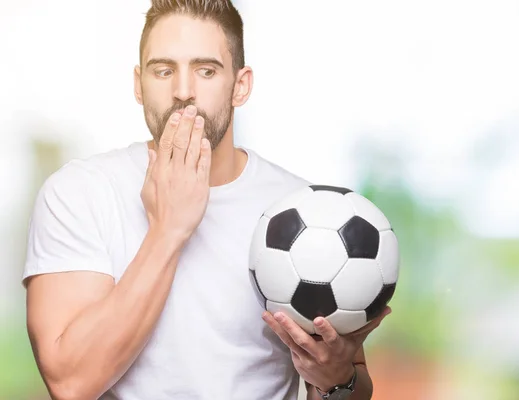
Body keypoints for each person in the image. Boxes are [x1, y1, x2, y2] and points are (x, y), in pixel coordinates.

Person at [22, 1, 391, 399]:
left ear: (241, 85)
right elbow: (70, 383)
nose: (183, 91)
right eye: (163, 70)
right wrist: (168, 230)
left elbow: (348, 386)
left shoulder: (303, 211)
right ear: (137, 84)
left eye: (206, 70)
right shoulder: (78, 194)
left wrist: (337, 379)